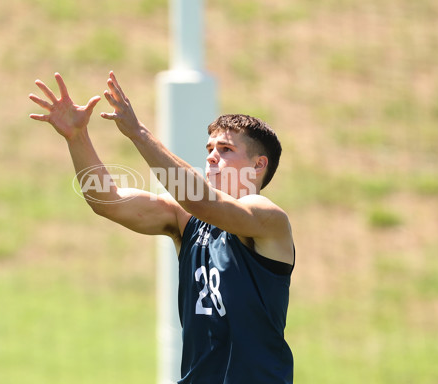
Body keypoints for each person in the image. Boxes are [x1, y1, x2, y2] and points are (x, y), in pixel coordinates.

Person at [28, 71, 295, 384]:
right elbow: (106, 201)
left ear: (259, 164)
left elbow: (202, 202)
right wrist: (77, 137)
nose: (211, 157)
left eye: (225, 149)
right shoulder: (187, 220)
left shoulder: (269, 219)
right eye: (209, 148)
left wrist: (138, 133)